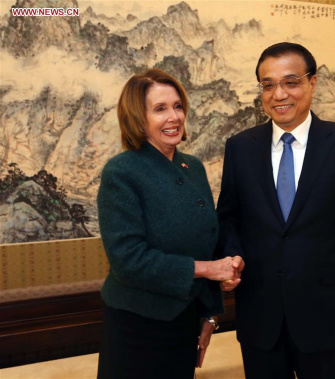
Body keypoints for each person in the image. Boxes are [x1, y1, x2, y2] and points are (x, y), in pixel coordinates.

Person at [217, 42, 335, 378]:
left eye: (291, 82)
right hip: (260, 314)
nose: (279, 94)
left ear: (312, 83)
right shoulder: (240, 148)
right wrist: (232, 256)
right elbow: (229, 216)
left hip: (325, 314)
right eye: (268, 84)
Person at [96, 68, 240, 379]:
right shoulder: (121, 172)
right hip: (138, 326)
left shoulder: (193, 167)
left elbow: (207, 240)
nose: (173, 117)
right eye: (160, 109)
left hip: (185, 319)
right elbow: (128, 260)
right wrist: (208, 269)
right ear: (137, 118)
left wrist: (211, 314)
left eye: (177, 106)